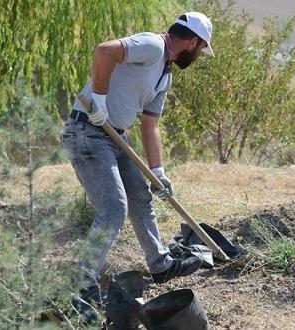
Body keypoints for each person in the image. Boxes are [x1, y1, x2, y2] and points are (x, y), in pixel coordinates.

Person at [61, 12, 214, 312]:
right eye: (200, 51)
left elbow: (150, 125)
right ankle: (81, 284)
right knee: (114, 208)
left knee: (141, 198)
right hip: (87, 131)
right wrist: (100, 99)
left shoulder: (165, 73)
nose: (198, 57)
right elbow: (104, 51)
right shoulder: (153, 45)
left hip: (115, 136)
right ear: (193, 42)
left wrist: (158, 172)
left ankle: (160, 264)